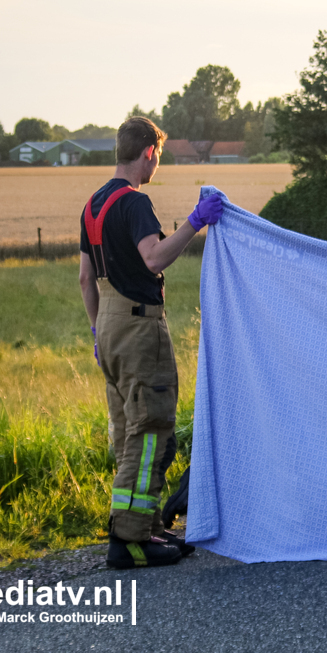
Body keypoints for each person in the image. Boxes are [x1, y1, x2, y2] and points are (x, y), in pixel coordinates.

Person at [79, 116, 222, 569]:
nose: (157, 162)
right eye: (158, 154)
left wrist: (98, 331)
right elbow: (154, 256)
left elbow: (85, 277)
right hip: (140, 326)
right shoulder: (134, 202)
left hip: (109, 322)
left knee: (127, 431)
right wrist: (195, 222)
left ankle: (150, 524)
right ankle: (132, 538)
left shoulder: (93, 205)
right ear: (148, 153)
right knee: (151, 430)